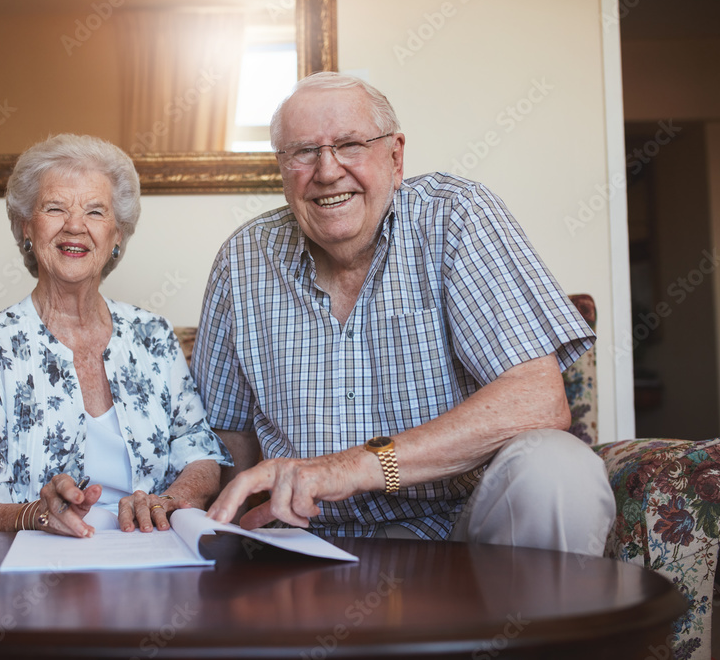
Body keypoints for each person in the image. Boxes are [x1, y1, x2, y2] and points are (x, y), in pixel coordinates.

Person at [193, 72, 615, 555]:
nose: (327, 171)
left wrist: (356, 466)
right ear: (282, 169)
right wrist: (224, 540)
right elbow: (227, 435)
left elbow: (538, 400)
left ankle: (532, 632)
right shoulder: (242, 259)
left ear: (395, 157)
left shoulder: (456, 217)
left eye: (350, 144)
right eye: (304, 152)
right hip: (303, 545)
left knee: (558, 465)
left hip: (462, 536)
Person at [0, 134, 231, 537]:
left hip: (145, 550)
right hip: (28, 563)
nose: (75, 226)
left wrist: (169, 500)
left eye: (95, 212)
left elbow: (200, 452)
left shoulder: (152, 336)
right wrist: (36, 513)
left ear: (117, 236)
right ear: (26, 228)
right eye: (55, 208)